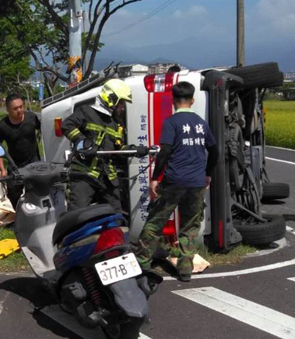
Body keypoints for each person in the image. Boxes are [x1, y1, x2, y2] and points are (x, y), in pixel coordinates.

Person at [134, 81, 217, 282]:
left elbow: (165, 152)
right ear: (192, 100)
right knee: (190, 225)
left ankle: (141, 264)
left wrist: (155, 179)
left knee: (155, 222)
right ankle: (185, 270)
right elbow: (214, 150)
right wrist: (207, 174)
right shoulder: (200, 123)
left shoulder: (171, 123)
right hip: (196, 183)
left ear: (173, 101)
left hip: (173, 181)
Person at [61, 79, 133, 212]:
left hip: (107, 178)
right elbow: (66, 125)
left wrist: (136, 150)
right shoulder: (86, 112)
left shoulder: (115, 123)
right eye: (121, 103)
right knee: (77, 214)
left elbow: (118, 149)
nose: (122, 107)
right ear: (111, 99)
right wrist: (82, 142)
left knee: (115, 215)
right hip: (84, 175)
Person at [0, 93, 41, 209]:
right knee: (13, 193)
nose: (20, 110)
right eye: (15, 108)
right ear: (8, 110)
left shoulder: (31, 117)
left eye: (21, 106)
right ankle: (20, 215)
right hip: (15, 164)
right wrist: (2, 169)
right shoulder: (2, 126)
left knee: (35, 192)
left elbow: (44, 130)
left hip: (33, 162)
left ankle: (34, 215)